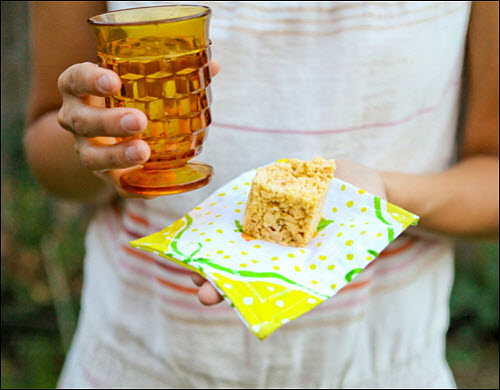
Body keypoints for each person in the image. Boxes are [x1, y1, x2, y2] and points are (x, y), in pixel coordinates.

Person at [25, 1, 498, 388]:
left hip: (385, 370)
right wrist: (100, 151)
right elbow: (46, 143)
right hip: (135, 365)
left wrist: (384, 197)